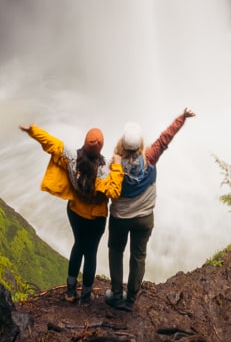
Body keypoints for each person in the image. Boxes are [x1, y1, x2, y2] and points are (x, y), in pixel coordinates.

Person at [21, 121, 122, 303]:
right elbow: (114, 190)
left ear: (85, 142)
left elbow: (52, 144)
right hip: (96, 218)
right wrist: (117, 165)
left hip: (75, 212)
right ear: (101, 148)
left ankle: (69, 291)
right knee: (90, 253)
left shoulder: (72, 159)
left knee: (78, 246)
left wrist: (32, 130)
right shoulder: (104, 170)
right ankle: (85, 296)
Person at [106, 107, 194, 311]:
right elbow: (165, 138)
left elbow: (106, 183)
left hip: (120, 218)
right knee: (138, 256)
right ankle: (131, 299)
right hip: (144, 218)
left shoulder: (115, 164)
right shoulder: (150, 157)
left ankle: (117, 294)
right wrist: (181, 118)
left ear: (122, 143)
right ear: (140, 144)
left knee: (116, 252)